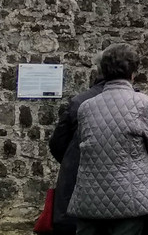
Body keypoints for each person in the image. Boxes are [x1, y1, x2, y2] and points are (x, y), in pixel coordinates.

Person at [68, 43, 148, 235]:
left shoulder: (86, 107)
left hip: (90, 198)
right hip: (129, 199)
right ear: (133, 72)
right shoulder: (143, 103)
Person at [48, 59, 106, 235]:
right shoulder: (139, 102)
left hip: (78, 184)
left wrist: (73, 162)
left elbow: (58, 144)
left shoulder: (79, 101)